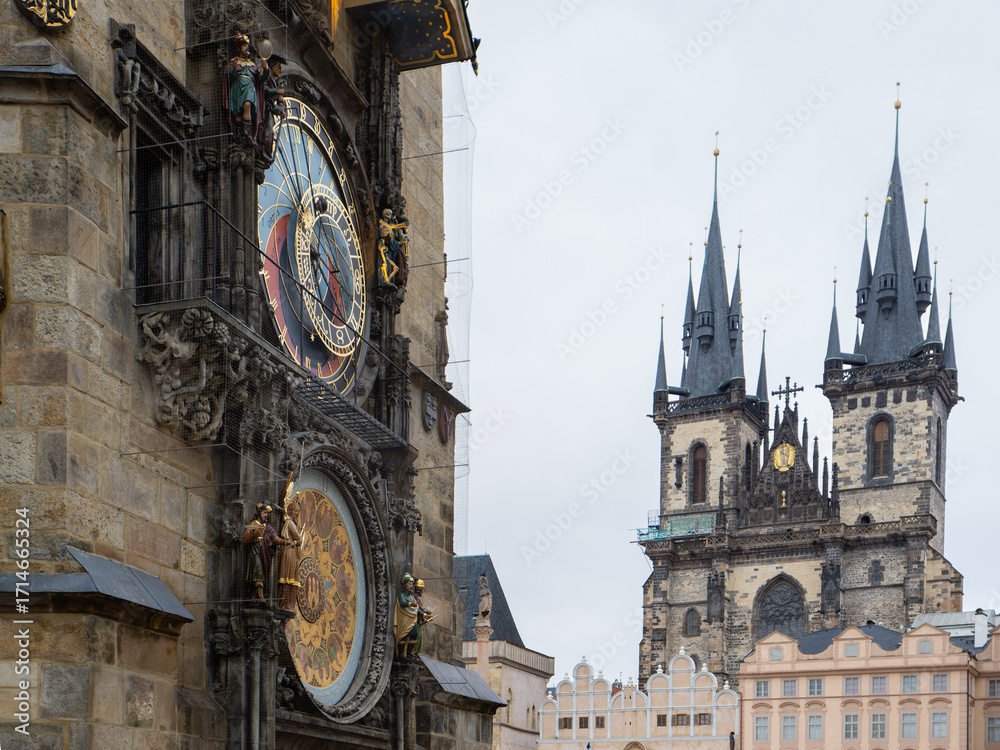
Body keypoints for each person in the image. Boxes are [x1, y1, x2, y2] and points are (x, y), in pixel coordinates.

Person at [244, 502, 294, 603]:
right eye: (264, 512)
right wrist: (255, 534)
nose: (266, 515)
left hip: (264, 554)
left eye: (267, 513)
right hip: (255, 552)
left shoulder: (268, 527)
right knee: (258, 572)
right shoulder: (253, 524)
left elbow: (275, 539)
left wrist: (285, 542)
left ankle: (255, 596)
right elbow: (245, 539)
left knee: (261, 574)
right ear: (259, 512)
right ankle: (260, 596)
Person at [222, 33, 268, 142]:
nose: (247, 48)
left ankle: (247, 132)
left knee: (247, 105)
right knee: (237, 112)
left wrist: (266, 69)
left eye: (247, 45)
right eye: (244, 45)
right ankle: (238, 132)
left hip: (249, 88)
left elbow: (260, 79)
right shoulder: (234, 62)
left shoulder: (252, 65)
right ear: (238, 48)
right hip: (237, 88)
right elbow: (228, 78)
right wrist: (233, 70)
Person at [277, 476, 305, 613]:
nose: (297, 514)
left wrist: (297, 502)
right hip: (290, 551)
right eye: (295, 511)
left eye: (298, 512)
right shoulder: (289, 522)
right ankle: (286, 604)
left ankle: (286, 604)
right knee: (289, 578)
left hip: (290, 551)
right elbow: (299, 539)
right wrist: (299, 541)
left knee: (290, 578)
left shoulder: (290, 522)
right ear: (290, 510)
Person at [393, 573, 430, 659]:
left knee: (415, 634)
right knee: (404, 635)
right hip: (405, 618)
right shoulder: (402, 595)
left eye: (412, 584)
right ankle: (401, 653)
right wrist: (410, 604)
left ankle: (409, 652)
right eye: (409, 584)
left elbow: (417, 609)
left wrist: (424, 615)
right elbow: (402, 603)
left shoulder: (412, 597)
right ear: (405, 585)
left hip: (412, 619)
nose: (411, 586)